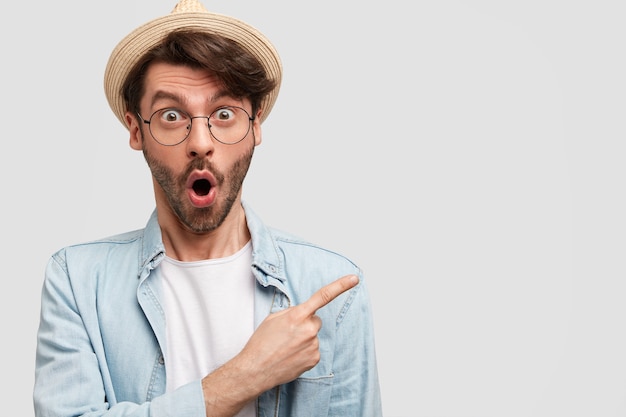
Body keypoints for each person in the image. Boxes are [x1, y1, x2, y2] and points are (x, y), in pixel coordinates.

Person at [33, 0, 382, 416]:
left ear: (255, 127)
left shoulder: (330, 288)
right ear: (135, 130)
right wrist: (246, 376)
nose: (200, 141)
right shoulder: (77, 280)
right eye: (172, 115)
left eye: (223, 113)